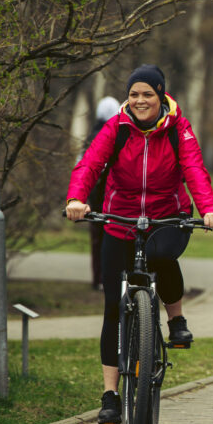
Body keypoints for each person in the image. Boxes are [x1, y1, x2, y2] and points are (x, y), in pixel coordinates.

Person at [65, 64, 213, 424]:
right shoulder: (115, 128)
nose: (139, 101)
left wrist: (210, 209)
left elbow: (195, 170)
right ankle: (110, 396)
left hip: (167, 217)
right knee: (111, 307)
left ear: (160, 95)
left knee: (162, 254)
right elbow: (90, 164)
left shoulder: (177, 130)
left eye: (147, 94)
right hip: (119, 220)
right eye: (133, 94)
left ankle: (176, 318)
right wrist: (77, 198)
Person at [83, 95, 121, 289]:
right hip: (106, 197)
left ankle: (98, 278)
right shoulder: (111, 136)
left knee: (97, 240)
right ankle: (108, 278)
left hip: (93, 198)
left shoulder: (90, 135)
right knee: (111, 238)